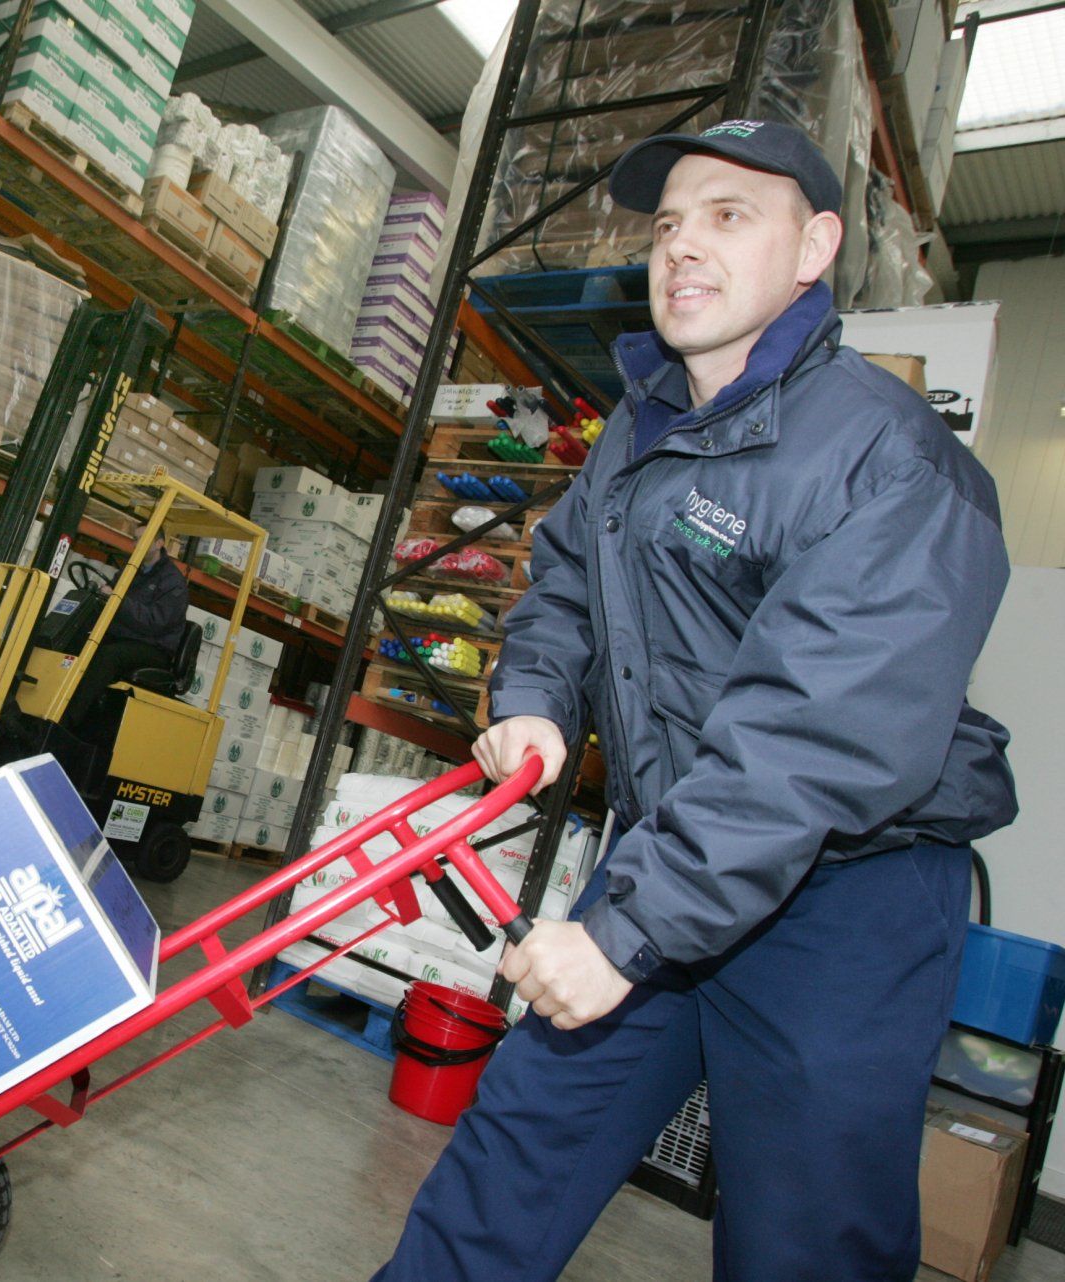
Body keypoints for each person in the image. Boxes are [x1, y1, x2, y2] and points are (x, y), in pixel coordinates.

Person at [374, 120, 1017, 1281]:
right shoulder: (642, 425)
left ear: (815, 246)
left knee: (804, 1236)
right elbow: (571, 573)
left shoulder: (893, 462)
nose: (682, 247)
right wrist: (536, 695)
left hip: (846, 890)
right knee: (518, 1149)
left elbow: (813, 738)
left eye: (729, 216)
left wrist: (627, 927)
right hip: (682, 848)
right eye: (669, 223)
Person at [63, 538, 189, 728]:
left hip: (154, 647)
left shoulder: (173, 582)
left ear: (159, 543)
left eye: (142, 539)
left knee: (109, 656)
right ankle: (53, 703)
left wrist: (118, 599)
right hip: (126, 636)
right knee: (77, 639)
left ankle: (67, 721)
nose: (136, 543)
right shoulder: (131, 570)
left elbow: (154, 622)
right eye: (135, 539)